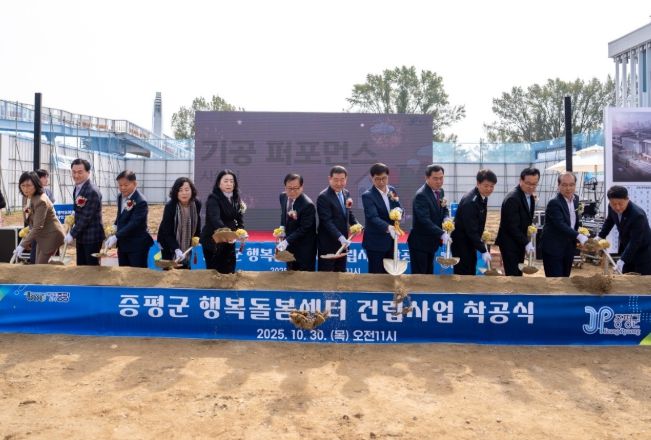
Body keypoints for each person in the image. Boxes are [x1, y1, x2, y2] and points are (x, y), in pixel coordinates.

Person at [541, 172, 589, 277]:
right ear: (558, 186)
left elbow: (573, 222)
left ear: (575, 185)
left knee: (566, 278)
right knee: (555, 280)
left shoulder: (576, 199)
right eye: (564, 185)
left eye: (571, 185)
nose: (568, 188)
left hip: (569, 247)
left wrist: (579, 235)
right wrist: (579, 236)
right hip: (553, 247)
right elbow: (560, 224)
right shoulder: (554, 203)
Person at [495, 167, 540, 276]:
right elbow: (512, 226)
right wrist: (526, 242)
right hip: (509, 243)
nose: (531, 187)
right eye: (528, 183)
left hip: (519, 241)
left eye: (534, 184)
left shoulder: (530, 196)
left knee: (518, 273)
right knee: (513, 274)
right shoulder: (513, 198)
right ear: (521, 180)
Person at [451, 169, 497, 275]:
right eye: (486, 186)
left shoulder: (482, 196)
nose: (489, 189)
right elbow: (471, 230)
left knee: (471, 269)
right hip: (462, 243)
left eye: (492, 186)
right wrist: (483, 250)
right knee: (464, 273)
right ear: (478, 183)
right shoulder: (471, 202)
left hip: (470, 242)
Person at [597, 185, 651, 275]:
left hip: (642, 252)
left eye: (620, 204)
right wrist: (600, 236)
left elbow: (635, 241)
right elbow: (609, 221)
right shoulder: (611, 207)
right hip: (627, 248)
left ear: (627, 199)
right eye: (614, 204)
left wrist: (623, 259)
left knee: (642, 280)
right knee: (626, 277)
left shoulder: (637, 215)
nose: (617, 207)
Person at [13, 171, 65, 264]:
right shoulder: (26, 197)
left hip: (52, 235)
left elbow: (38, 226)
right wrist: (27, 238)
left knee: (41, 265)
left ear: (36, 185)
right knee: (38, 264)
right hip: (40, 236)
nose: (25, 189)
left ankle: (59, 268)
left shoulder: (41, 201)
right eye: (23, 185)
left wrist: (22, 245)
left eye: (29, 185)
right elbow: (30, 218)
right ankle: (55, 267)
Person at [105, 171, 153, 268]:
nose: (122, 188)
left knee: (136, 273)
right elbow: (120, 214)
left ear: (135, 183)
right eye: (120, 185)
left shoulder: (141, 201)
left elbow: (134, 223)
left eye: (126, 185)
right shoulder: (120, 197)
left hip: (137, 245)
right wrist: (115, 225)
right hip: (123, 244)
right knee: (123, 272)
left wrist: (116, 237)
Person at [200, 169, 245, 273]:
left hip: (229, 240)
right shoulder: (213, 198)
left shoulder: (236, 198)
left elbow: (239, 218)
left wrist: (241, 231)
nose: (229, 184)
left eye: (231, 181)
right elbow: (215, 219)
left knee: (229, 270)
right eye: (226, 181)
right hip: (213, 240)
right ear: (219, 183)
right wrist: (229, 234)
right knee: (215, 273)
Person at [407, 164, 449, 275]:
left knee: (429, 275)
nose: (439, 181)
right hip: (420, 243)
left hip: (431, 242)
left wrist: (446, 218)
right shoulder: (421, 195)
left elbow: (444, 209)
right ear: (427, 177)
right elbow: (424, 220)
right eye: (435, 178)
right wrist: (441, 233)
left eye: (441, 178)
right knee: (420, 277)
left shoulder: (440, 191)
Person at [361, 163, 402, 274]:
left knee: (390, 274)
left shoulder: (392, 190)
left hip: (391, 242)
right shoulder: (368, 195)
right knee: (376, 275)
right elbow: (373, 217)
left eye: (384, 178)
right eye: (377, 179)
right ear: (372, 178)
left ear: (388, 176)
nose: (381, 182)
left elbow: (398, 206)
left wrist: (399, 212)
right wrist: (389, 228)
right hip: (375, 242)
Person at [316, 165, 359, 272]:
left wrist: (357, 225)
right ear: (329, 179)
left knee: (340, 273)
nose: (339, 183)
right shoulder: (323, 197)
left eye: (342, 180)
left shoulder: (346, 193)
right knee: (327, 276)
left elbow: (348, 213)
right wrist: (340, 237)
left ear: (346, 179)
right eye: (336, 180)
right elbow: (327, 222)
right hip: (328, 244)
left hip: (343, 244)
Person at [65, 158, 105, 266]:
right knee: (81, 266)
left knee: (91, 267)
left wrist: (72, 234)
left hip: (92, 236)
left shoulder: (91, 191)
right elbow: (79, 209)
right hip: (82, 235)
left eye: (80, 172)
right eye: (74, 172)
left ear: (88, 172)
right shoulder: (78, 188)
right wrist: (74, 214)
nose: (76, 175)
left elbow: (86, 217)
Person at [157, 177, 202, 268]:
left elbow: (198, 221)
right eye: (180, 190)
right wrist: (176, 249)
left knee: (184, 268)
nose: (184, 193)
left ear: (192, 191)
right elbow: (167, 232)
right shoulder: (170, 206)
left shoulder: (196, 204)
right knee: (170, 270)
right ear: (176, 192)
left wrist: (197, 236)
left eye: (187, 190)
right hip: (168, 243)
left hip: (187, 242)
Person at [276, 173, 317, 271]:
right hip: (290, 245)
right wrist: (282, 229)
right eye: (289, 188)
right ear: (285, 187)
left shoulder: (308, 205)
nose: (292, 191)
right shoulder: (283, 197)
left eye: (296, 188)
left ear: (301, 187)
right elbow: (284, 214)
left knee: (304, 276)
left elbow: (304, 229)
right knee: (290, 273)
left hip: (304, 248)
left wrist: (286, 241)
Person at [30, 168, 56, 264]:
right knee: (35, 251)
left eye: (47, 177)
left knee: (46, 252)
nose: (47, 179)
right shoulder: (32, 192)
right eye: (44, 177)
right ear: (38, 179)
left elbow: (52, 207)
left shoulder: (48, 192)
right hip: (36, 228)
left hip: (48, 228)